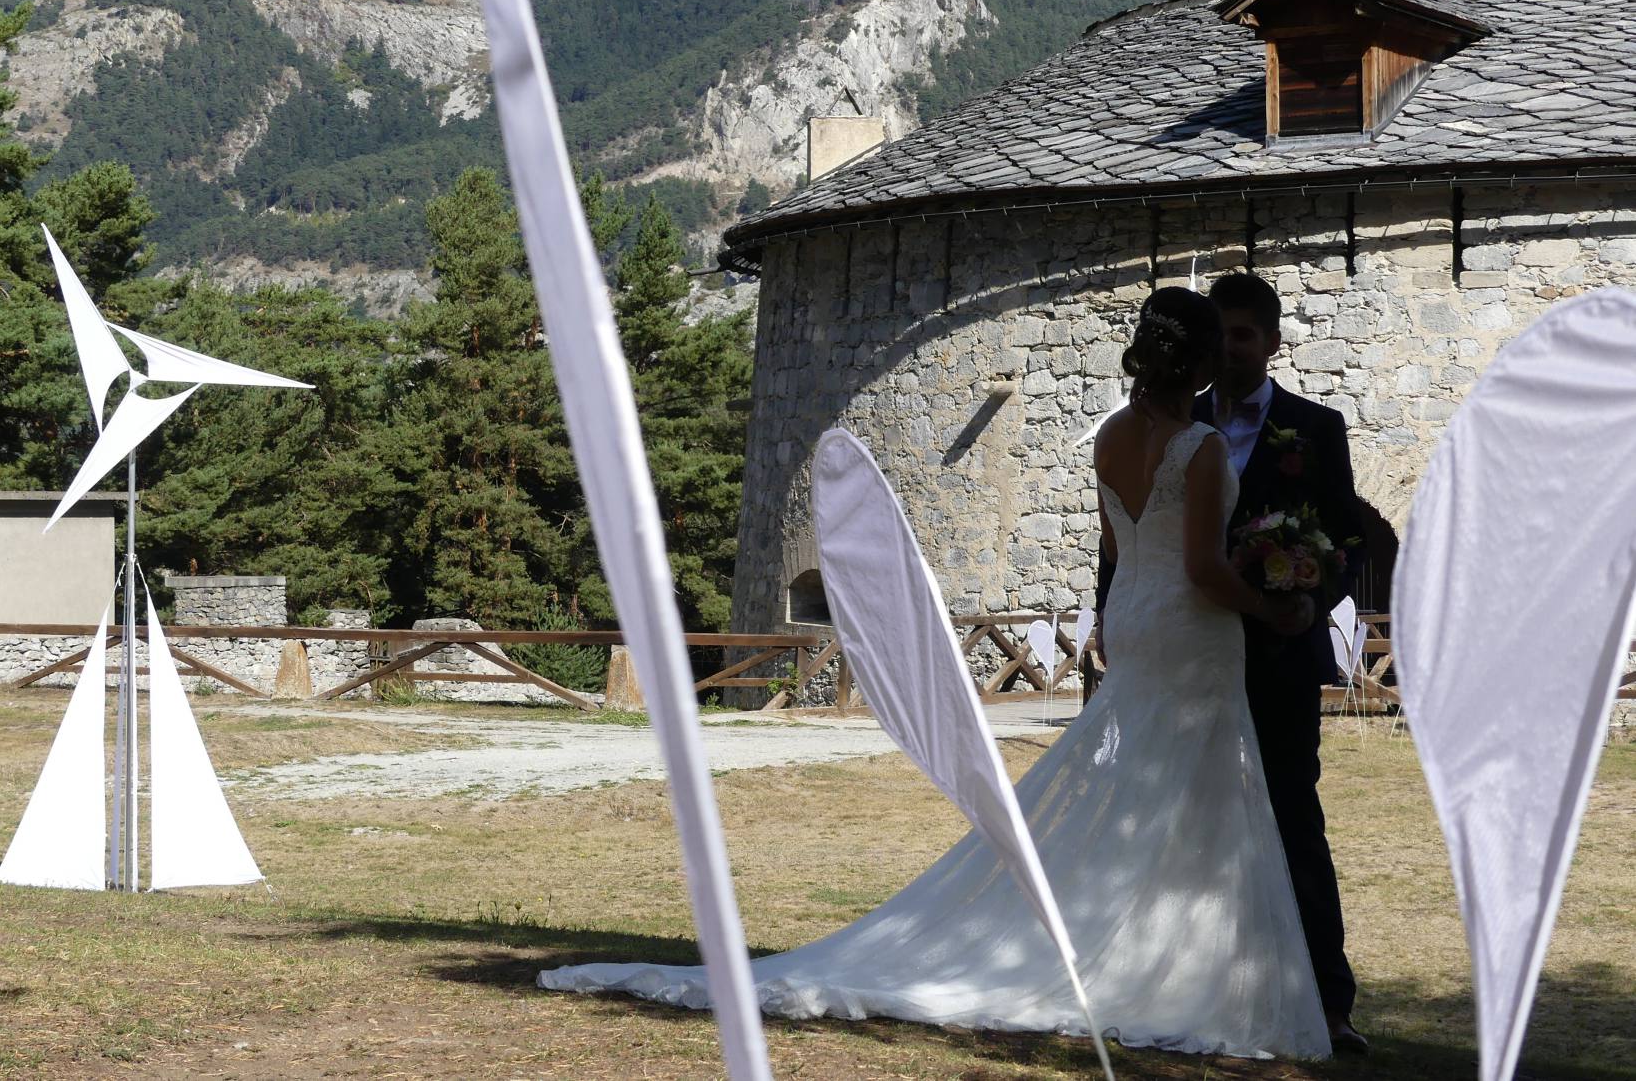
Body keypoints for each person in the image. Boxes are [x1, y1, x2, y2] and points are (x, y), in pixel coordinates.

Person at [540, 287, 1331, 1061]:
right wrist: (1274, 608)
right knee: (1190, 788)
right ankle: (1168, 962)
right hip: (1192, 626)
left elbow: (1122, 551)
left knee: (1146, 782)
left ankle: (1144, 946)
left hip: (1134, 614)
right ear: (1195, 366)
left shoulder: (1109, 436)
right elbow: (1197, 567)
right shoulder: (1193, 448)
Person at [1199, 271, 1367, 1053]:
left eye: (1241, 334)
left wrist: (1313, 590)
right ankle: (1210, 988)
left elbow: (1348, 533)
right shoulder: (1173, 425)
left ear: (1270, 341)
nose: (1229, 349)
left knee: (1293, 818)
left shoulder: (1315, 426)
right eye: (1218, 334)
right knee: (1195, 824)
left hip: (1279, 655)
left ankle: (1328, 1002)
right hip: (1192, 658)